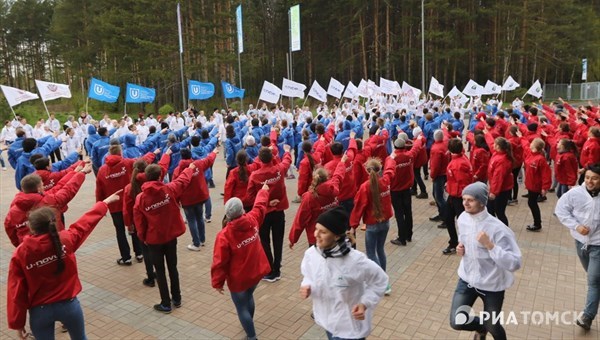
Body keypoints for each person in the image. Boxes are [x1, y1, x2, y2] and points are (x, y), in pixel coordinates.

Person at [7, 189, 122, 340]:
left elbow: (16, 291)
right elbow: (84, 224)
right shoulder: (66, 240)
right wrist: (104, 204)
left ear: (31, 228)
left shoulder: (21, 253)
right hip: (69, 306)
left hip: (40, 311)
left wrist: (18, 323)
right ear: (54, 223)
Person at [300, 206, 389, 340]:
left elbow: (380, 280)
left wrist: (365, 303)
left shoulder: (355, 261)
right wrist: (307, 285)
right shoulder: (311, 254)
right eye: (316, 229)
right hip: (327, 322)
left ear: (336, 236)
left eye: (323, 232)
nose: (315, 234)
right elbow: (308, 275)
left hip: (350, 329)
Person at [449, 182, 522, 340]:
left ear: (482, 202)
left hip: (492, 286)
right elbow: (463, 241)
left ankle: (489, 325)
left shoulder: (498, 229)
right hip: (467, 279)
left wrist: (490, 246)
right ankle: (483, 327)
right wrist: (460, 248)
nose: (465, 203)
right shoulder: (462, 218)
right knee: (456, 321)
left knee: (494, 327)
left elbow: (515, 263)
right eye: (464, 199)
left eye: (471, 200)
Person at [133, 161, 196, 313]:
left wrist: (143, 239)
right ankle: (177, 298)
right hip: (170, 236)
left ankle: (166, 303)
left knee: (160, 271)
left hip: (154, 240)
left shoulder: (141, 198)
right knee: (173, 267)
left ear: (146, 177)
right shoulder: (169, 189)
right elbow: (182, 181)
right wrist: (190, 169)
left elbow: (139, 223)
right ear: (161, 175)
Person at [211, 184, 272, 340]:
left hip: (239, 279)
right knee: (248, 297)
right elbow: (259, 206)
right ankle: (249, 323)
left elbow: (219, 262)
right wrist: (263, 191)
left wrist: (217, 283)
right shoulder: (252, 220)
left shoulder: (224, 235)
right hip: (256, 272)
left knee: (241, 306)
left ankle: (251, 336)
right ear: (242, 210)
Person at [555, 164, 600, 331]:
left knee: (593, 280)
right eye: (588, 177)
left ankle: (587, 316)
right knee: (593, 276)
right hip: (581, 243)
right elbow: (561, 210)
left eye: (595, 178)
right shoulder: (575, 193)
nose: (590, 181)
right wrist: (576, 226)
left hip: (598, 245)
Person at [96, 144, 157, 265]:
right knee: (135, 227)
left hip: (114, 206)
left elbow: (99, 190)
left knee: (120, 231)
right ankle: (139, 253)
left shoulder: (102, 170)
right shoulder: (128, 163)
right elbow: (143, 162)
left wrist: (100, 207)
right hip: (131, 202)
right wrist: (153, 153)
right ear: (120, 153)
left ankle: (126, 257)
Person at [243, 145, 292, 282]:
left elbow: (250, 198)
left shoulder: (255, 176)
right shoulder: (279, 170)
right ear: (272, 158)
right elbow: (287, 161)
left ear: (259, 159)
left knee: (265, 241)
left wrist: (267, 202)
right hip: (279, 211)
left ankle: (271, 270)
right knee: (278, 240)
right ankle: (277, 267)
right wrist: (287, 151)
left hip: (264, 213)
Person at [350, 154, 396, 295]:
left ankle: (380, 282)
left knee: (371, 253)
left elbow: (359, 206)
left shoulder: (365, 187)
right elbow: (390, 171)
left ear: (367, 171)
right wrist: (391, 158)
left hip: (372, 224)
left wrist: (353, 225)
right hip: (385, 222)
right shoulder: (385, 181)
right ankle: (384, 279)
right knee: (380, 250)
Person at [443, 138, 473, 255]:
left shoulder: (457, 164)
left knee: (461, 222)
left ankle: (460, 244)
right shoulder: (461, 158)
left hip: (458, 196)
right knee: (448, 217)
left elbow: (462, 182)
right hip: (454, 195)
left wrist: (462, 198)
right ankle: (454, 242)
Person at [522, 138, 552, 232]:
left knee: (532, 203)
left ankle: (537, 223)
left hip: (535, 185)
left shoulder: (540, 159)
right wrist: (521, 137)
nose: (530, 144)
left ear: (535, 146)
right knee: (531, 202)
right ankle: (537, 223)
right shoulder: (531, 154)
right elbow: (525, 144)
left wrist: (545, 187)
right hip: (530, 184)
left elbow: (546, 175)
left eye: (532, 143)